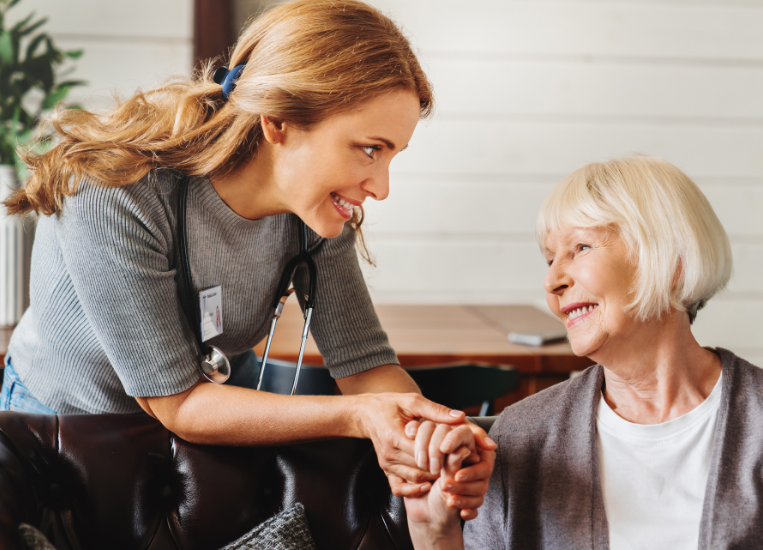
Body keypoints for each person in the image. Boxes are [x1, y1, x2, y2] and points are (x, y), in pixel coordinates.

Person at [0, 0, 495, 509]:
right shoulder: (114, 191)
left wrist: (434, 439)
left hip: (196, 433)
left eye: (393, 155)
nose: (382, 187)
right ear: (278, 121)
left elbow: (366, 365)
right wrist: (358, 416)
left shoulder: (315, 215)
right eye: (370, 149)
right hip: (60, 430)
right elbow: (178, 402)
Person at [405, 156, 763, 550]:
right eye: (550, 258)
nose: (553, 280)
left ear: (670, 261)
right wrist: (434, 535)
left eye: (580, 248)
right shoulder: (523, 433)